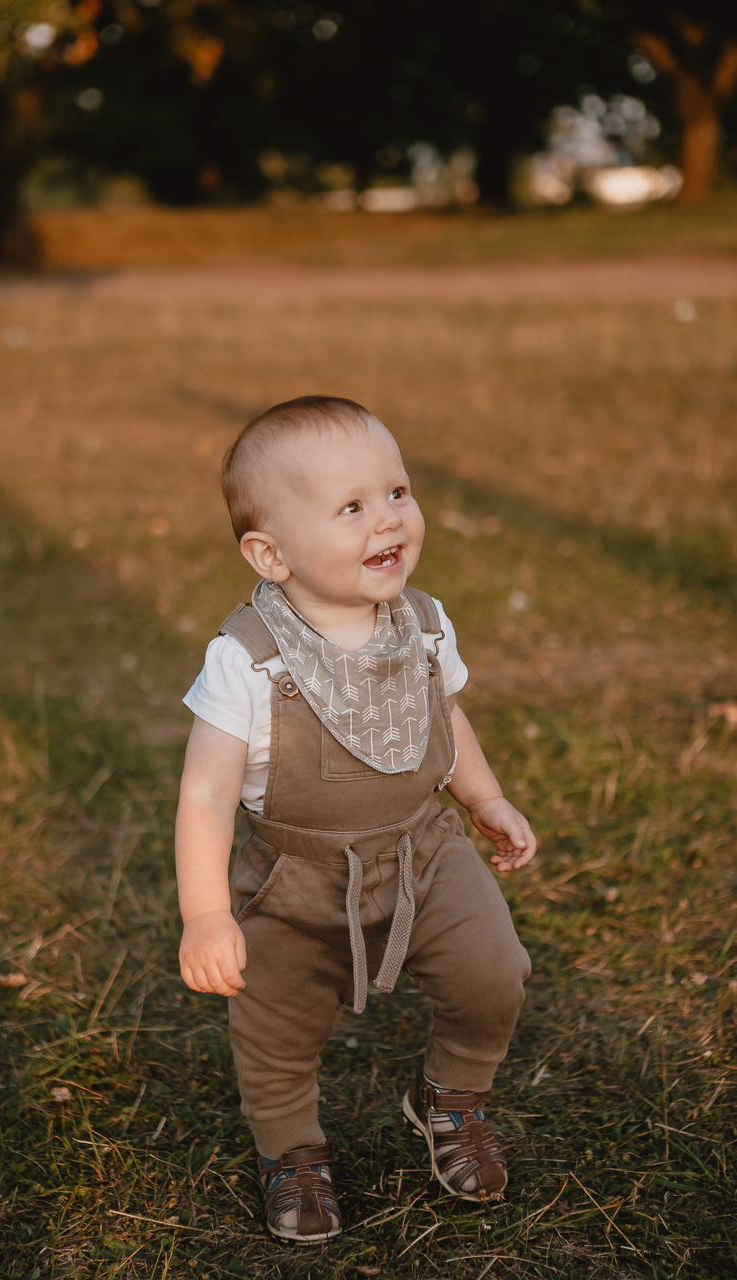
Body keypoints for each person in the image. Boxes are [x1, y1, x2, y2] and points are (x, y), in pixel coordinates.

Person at [175, 395, 536, 1244]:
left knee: (495, 974)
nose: (388, 520)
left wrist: (482, 798)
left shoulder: (421, 623)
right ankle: (292, 1154)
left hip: (424, 850)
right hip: (297, 881)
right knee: (275, 1034)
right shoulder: (247, 661)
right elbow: (204, 795)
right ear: (270, 555)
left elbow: (444, 718)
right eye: (351, 508)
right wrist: (204, 913)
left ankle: (448, 1099)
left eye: (398, 492)